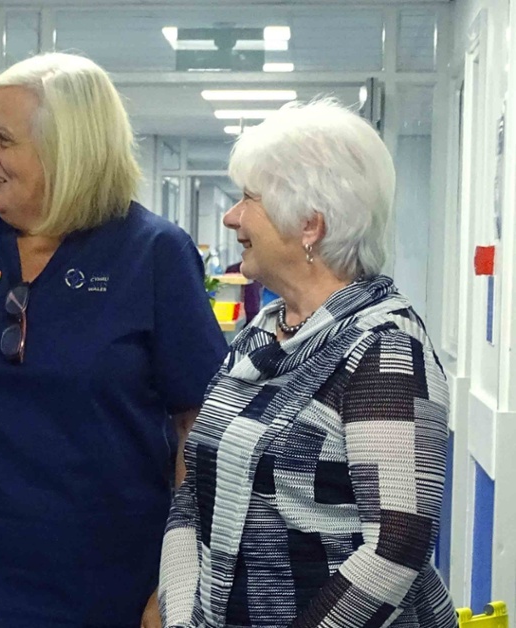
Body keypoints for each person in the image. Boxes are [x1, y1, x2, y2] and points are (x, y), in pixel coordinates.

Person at [0, 52, 227, 628]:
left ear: (68, 150)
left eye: (3, 140)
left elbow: (197, 429)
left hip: (108, 587)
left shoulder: (153, 253)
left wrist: (174, 583)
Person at [158, 100, 458, 628]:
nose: (232, 217)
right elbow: (192, 497)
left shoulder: (383, 348)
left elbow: (397, 547)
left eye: (249, 199)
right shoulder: (261, 332)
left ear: (309, 225)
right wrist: (184, 617)